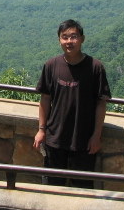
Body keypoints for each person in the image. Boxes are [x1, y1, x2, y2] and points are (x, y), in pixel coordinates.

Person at [33, 19, 111, 188]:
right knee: (53, 185)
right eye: (65, 37)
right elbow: (45, 99)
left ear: (82, 39)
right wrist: (41, 130)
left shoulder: (95, 68)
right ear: (59, 40)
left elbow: (101, 103)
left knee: (82, 188)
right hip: (55, 138)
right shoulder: (51, 65)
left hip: (83, 140)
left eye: (73, 37)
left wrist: (96, 135)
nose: (69, 41)